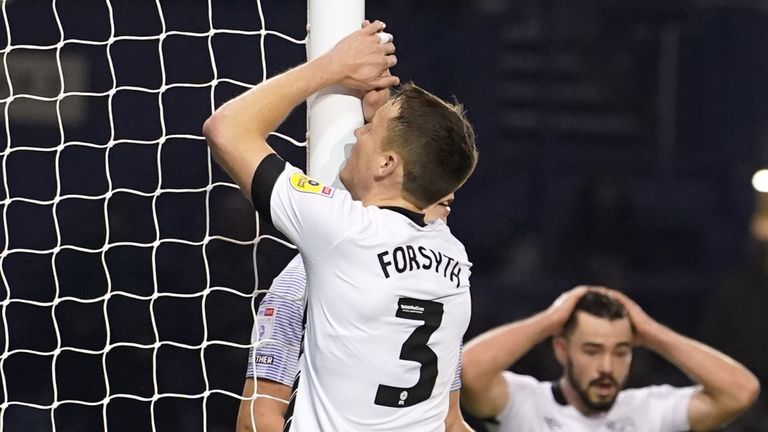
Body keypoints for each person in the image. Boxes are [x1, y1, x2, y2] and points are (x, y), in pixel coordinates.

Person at [204, 20, 478, 431]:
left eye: (368, 129)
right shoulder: (453, 260)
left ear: (388, 163)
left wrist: (332, 67)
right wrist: (383, 124)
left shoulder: (342, 233)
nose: (357, 130)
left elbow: (226, 129)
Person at [236, 195, 466, 432]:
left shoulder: (449, 291)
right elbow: (256, 419)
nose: (450, 194)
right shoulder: (301, 279)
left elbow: (449, 421)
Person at [461, 287, 760, 431]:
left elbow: (739, 392)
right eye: (592, 351)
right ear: (562, 349)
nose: (607, 367)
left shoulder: (650, 412)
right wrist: (550, 319)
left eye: (621, 352)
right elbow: (467, 371)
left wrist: (653, 332)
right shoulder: (524, 404)